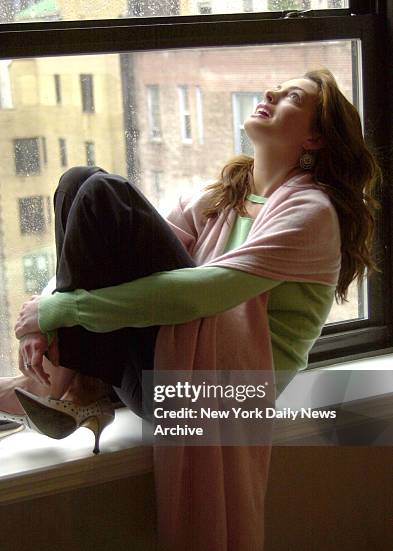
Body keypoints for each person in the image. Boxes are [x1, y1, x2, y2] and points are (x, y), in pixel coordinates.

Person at [2, 68, 380, 456]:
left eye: (292, 98)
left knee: (103, 192)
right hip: (155, 376)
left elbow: (201, 294)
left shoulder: (311, 213)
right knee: (78, 181)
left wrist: (58, 310)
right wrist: (43, 318)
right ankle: (77, 383)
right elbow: (99, 253)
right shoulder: (223, 197)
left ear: (314, 138)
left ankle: (53, 382)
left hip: (209, 397)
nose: (271, 92)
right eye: (277, 89)